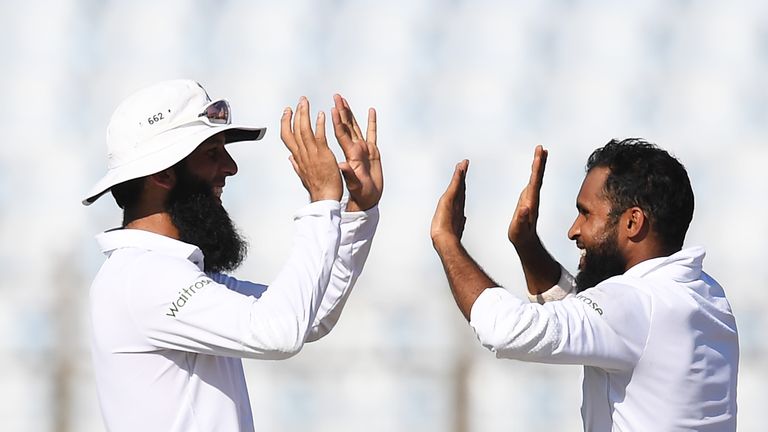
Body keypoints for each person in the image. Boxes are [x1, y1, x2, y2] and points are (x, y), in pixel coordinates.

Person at [83, 79, 382, 432]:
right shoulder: (143, 276)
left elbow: (310, 317)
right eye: (212, 153)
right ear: (163, 173)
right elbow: (280, 333)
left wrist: (357, 211)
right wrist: (321, 204)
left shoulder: (166, 271)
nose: (230, 167)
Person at [430, 139, 738, 431]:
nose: (574, 230)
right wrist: (527, 244)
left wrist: (447, 241)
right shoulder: (706, 295)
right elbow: (597, 317)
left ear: (632, 222)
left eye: (585, 213)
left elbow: (504, 329)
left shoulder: (638, 303)